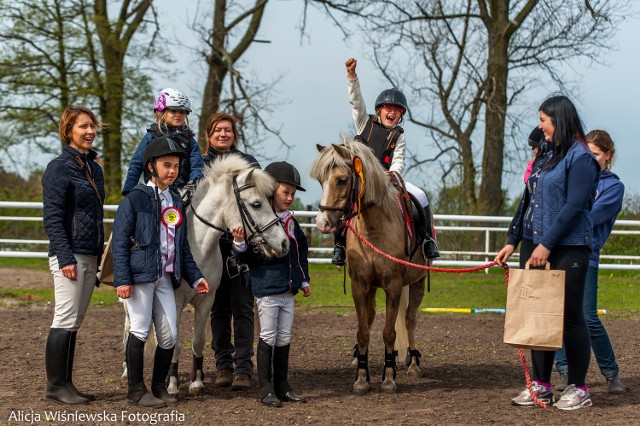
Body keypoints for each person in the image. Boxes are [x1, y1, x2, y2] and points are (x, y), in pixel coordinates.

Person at [495, 95, 599, 410]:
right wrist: (513, 240)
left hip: (568, 246)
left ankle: (579, 388)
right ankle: (540, 385)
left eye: (544, 120)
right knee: (537, 313)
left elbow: (574, 206)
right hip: (534, 242)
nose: (540, 126)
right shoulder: (546, 155)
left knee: (569, 316)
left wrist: (547, 244)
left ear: (559, 120)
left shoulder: (581, 158)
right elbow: (527, 198)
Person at [112, 136, 210, 407]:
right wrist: (122, 278)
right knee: (140, 330)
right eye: (167, 165)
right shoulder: (134, 199)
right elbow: (119, 241)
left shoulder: (176, 202)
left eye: (176, 166)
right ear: (151, 167)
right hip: (140, 277)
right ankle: (135, 390)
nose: (173, 171)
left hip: (166, 278)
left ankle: (158, 386)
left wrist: (197, 276)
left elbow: (182, 248)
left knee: (169, 335)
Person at [332, 57, 439, 265]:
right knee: (341, 201)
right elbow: (356, 102)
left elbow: (398, 161)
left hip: (386, 181)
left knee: (421, 195)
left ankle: (427, 240)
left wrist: (393, 173)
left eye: (398, 110)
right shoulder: (364, 122)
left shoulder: (399, 135)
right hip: (360, 181)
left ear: (401, 116)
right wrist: (352, 77)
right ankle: (340, 245)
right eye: (388, 108)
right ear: (379, 109)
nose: (393, 112)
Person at [42, 105, 106, 405]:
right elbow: (53, 218)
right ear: (69, 131)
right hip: (69, 254)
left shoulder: (93, 167)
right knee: (65, 317)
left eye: (92, 125)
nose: (90, 131)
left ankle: (66, 384)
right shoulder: (58, 167)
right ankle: (55, 387)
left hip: (89, 254)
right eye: (83, 126)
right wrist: (65, 257)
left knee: (75, 321)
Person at [554, 130, 626, 394]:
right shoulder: (571, 178)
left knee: (588, 317)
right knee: (558, 316)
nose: (590, 159)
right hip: (559, 252)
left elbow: (588, 218)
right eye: (586, 154)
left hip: (586, 256)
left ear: (608, 155)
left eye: (595, 154)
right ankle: (563, 371)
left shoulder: (613, 187)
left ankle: (610, 373)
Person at [235, 161, 311, 408]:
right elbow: (246, 258)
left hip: (289, 289)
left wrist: (304, 279)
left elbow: (300, 253)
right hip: (267, 289)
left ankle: (283, 385)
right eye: (285, 193)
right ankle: (266, 388)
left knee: (284, 337)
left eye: (292, 194)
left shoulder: (291, 223)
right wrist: (239, 244)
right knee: (268, 336)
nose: (290, 198)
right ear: (271, 191)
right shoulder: (260, 224)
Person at [202, 112, 259, 391]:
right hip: (211, 247)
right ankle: (223, 365)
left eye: (228, 130)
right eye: (218, 130)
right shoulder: (199, 166)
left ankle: (244, 368)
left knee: (243, 307)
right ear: (209, 135)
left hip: (242, 246)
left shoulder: (248, 165)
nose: (223, 134)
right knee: (218, 307)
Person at [122, 88, 203, 195]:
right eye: (173, 111)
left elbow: (197, 164)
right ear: (161, 112)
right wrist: (129, 191)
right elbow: (136, 163)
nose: (178, 115)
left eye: (182, 112)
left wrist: (195, 183)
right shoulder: (152, 136)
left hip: (183, 194)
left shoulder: (189, 139)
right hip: (154, 192)